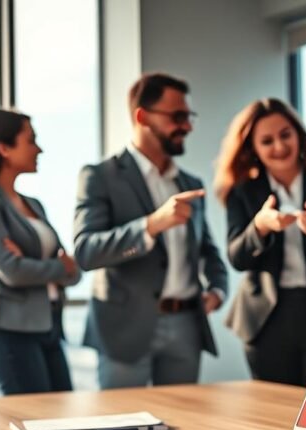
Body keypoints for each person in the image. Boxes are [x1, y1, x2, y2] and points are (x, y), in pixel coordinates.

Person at [74, 72, 228, 389]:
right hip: (124, 328)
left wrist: (218, 289)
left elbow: (209, 251)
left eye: (189, 116)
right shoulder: (100, 176)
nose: (187, 126)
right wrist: (152, 224)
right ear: (142, 116)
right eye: (178, 116)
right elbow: (86, 252)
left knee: (185, 427)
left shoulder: (191, 184)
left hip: (187, 324)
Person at [216, 98, 306, 387]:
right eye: (267, 141)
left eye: (285, 135)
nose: (279, 147)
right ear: (253, 149)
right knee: (271, 410)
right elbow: (236, 258)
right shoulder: (242, 193)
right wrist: (259, 227)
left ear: (299, 136)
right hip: (266, 318)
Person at [0, 109, 81, 395]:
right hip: (9, 328)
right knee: (34, 424)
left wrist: (48, 267)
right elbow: (12, 271)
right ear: (4, 148)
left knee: (63, 419)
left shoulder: (34, 204)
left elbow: (75, 272)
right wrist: (60, 268)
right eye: (31, 141)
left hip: (49, 325)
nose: (40, 149)